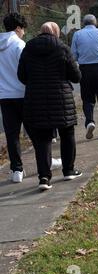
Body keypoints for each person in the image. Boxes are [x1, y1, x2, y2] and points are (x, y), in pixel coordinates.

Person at [18, 22, 82, 191]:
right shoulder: (62, 47)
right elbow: (76, 76)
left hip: (35, 99)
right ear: (56, 33)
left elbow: (21, 76)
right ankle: (68, 170)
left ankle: (44, 178)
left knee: (42, 140)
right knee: (67, 133)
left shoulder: (28, 48)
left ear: (41, 32)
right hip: (61, 99)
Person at [71, 14, 98, 140]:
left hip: (85, 69)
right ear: (95, 23)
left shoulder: (77, 35)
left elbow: (73, 56)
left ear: (83, 23)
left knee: (87, 98)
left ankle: (90, 121)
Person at [0, 13, 27, 183]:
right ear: (18, 28)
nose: (24, 32)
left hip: (4, 95)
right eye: (23, 29)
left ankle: (16, 169)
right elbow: (25, 71)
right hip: (22, 93)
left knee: (12, 134)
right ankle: (44, 164)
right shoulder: (20, 45)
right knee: (34, 131)